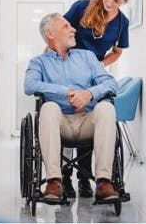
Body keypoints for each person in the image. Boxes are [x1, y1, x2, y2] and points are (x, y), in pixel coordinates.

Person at [24, 13, 118, 200]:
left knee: (107, 108)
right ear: (51, 34)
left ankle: (104, 182)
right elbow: (29, 86)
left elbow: (111, 83)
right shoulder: (39, 62)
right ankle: (53, 182)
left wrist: (89, 93)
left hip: (87, 122)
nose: (73, 29)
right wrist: (64, 91)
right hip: (60, 124)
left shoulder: (87, 57)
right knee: (48, 107)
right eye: (67, 26)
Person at [62, 0, 133, 198]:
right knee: (66, 116)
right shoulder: (82, 7)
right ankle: (63, 176)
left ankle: (83, 177)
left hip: (92, 76)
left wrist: (100, 64)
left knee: (88, 119)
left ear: (124, 3)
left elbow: (118, 52)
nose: (110, 3)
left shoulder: (122, 23)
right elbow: (61, 32)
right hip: (68, 70)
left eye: (117, 1)